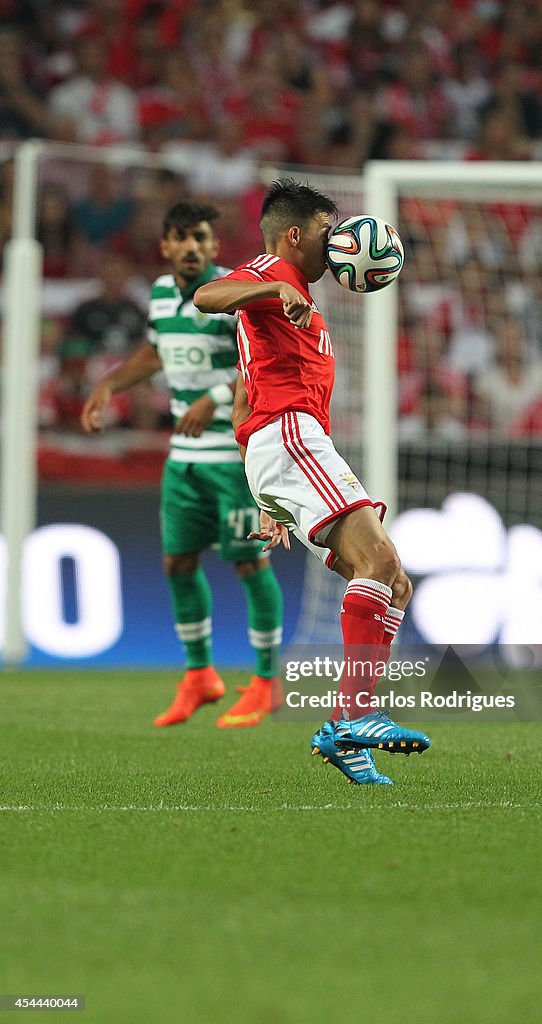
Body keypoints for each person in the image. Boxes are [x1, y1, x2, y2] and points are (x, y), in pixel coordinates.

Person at [194, 179, 430, 786]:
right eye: (330, 232)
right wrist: (272, 285)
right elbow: (206, 294)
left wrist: (266, 491)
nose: (340, 243)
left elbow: (247, 386)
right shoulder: (274, 274)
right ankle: (360, 714)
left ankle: (343, 732)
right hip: (290, 436)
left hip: (289, 445)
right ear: (296, 234)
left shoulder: (295, 296)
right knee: (378, 560)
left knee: (393, 581)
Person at [81, 200, 284, 729]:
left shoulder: (231, 294)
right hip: (184, 460)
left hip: (230, 455)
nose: (191, 246)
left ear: (215, 246)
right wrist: (109, 384)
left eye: (200, 238)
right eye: (181, 238)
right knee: (178, 564)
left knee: (248, 564)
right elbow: (158, 353)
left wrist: (214, 399)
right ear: (165, 245)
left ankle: (266, 682)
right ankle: (200, 676)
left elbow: (258, 362)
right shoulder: (159, 294)